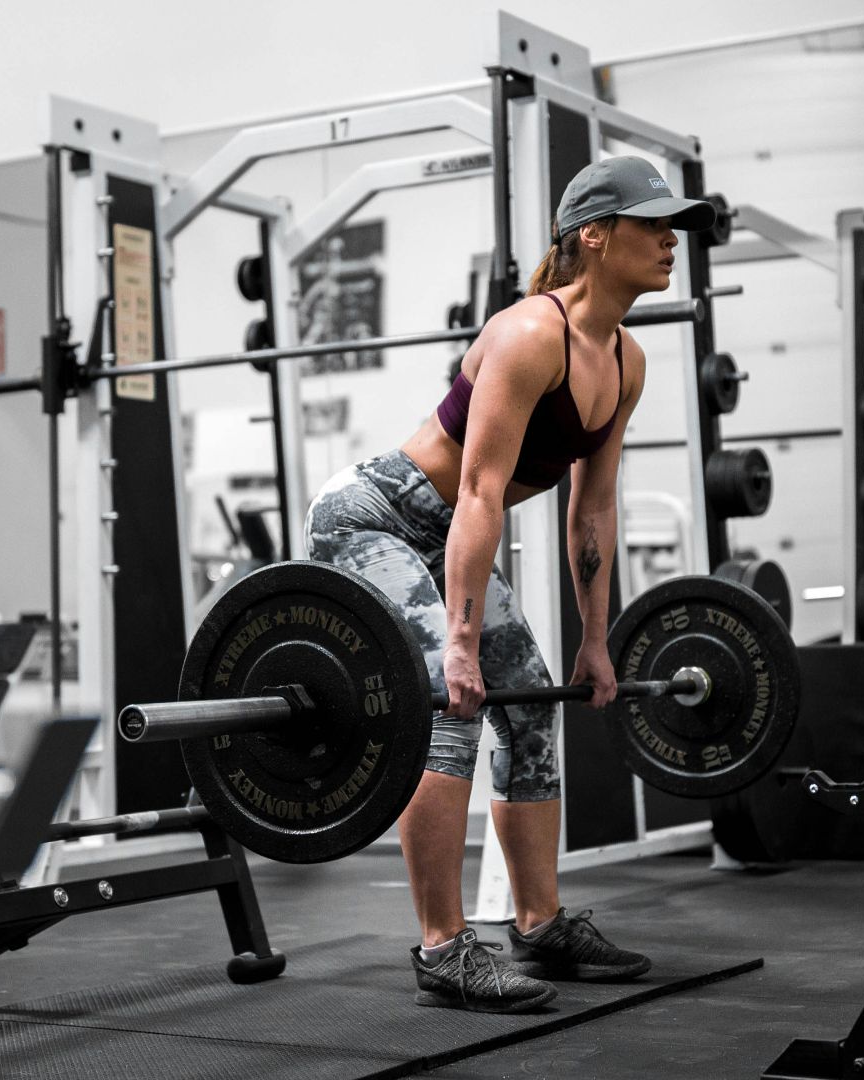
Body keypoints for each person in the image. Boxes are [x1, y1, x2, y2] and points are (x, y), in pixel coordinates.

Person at [305, 156, 717, 1012]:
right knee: (447, 710)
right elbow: (482, 492)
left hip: (448, 531)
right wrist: (456, 646)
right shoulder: (533, 334)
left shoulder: (624, 361)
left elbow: (591, 513)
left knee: (528, 703)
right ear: (593, 236)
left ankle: (537, 924)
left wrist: (596, 640)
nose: (670, 239)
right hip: (377, 518)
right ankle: (444, 948)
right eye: (652, 223)